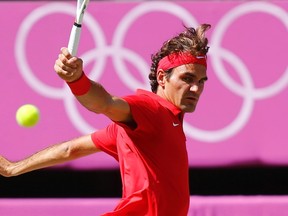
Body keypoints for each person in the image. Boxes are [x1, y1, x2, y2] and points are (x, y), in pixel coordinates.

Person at [0, 24, 211, 216]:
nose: (196, 89)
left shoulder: (155, 123)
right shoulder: (151, 110)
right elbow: (104, 104)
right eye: (187, 79)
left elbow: (71, 149)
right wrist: (76, 80)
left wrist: (14, 168)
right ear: (162, 78)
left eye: (201, 81)